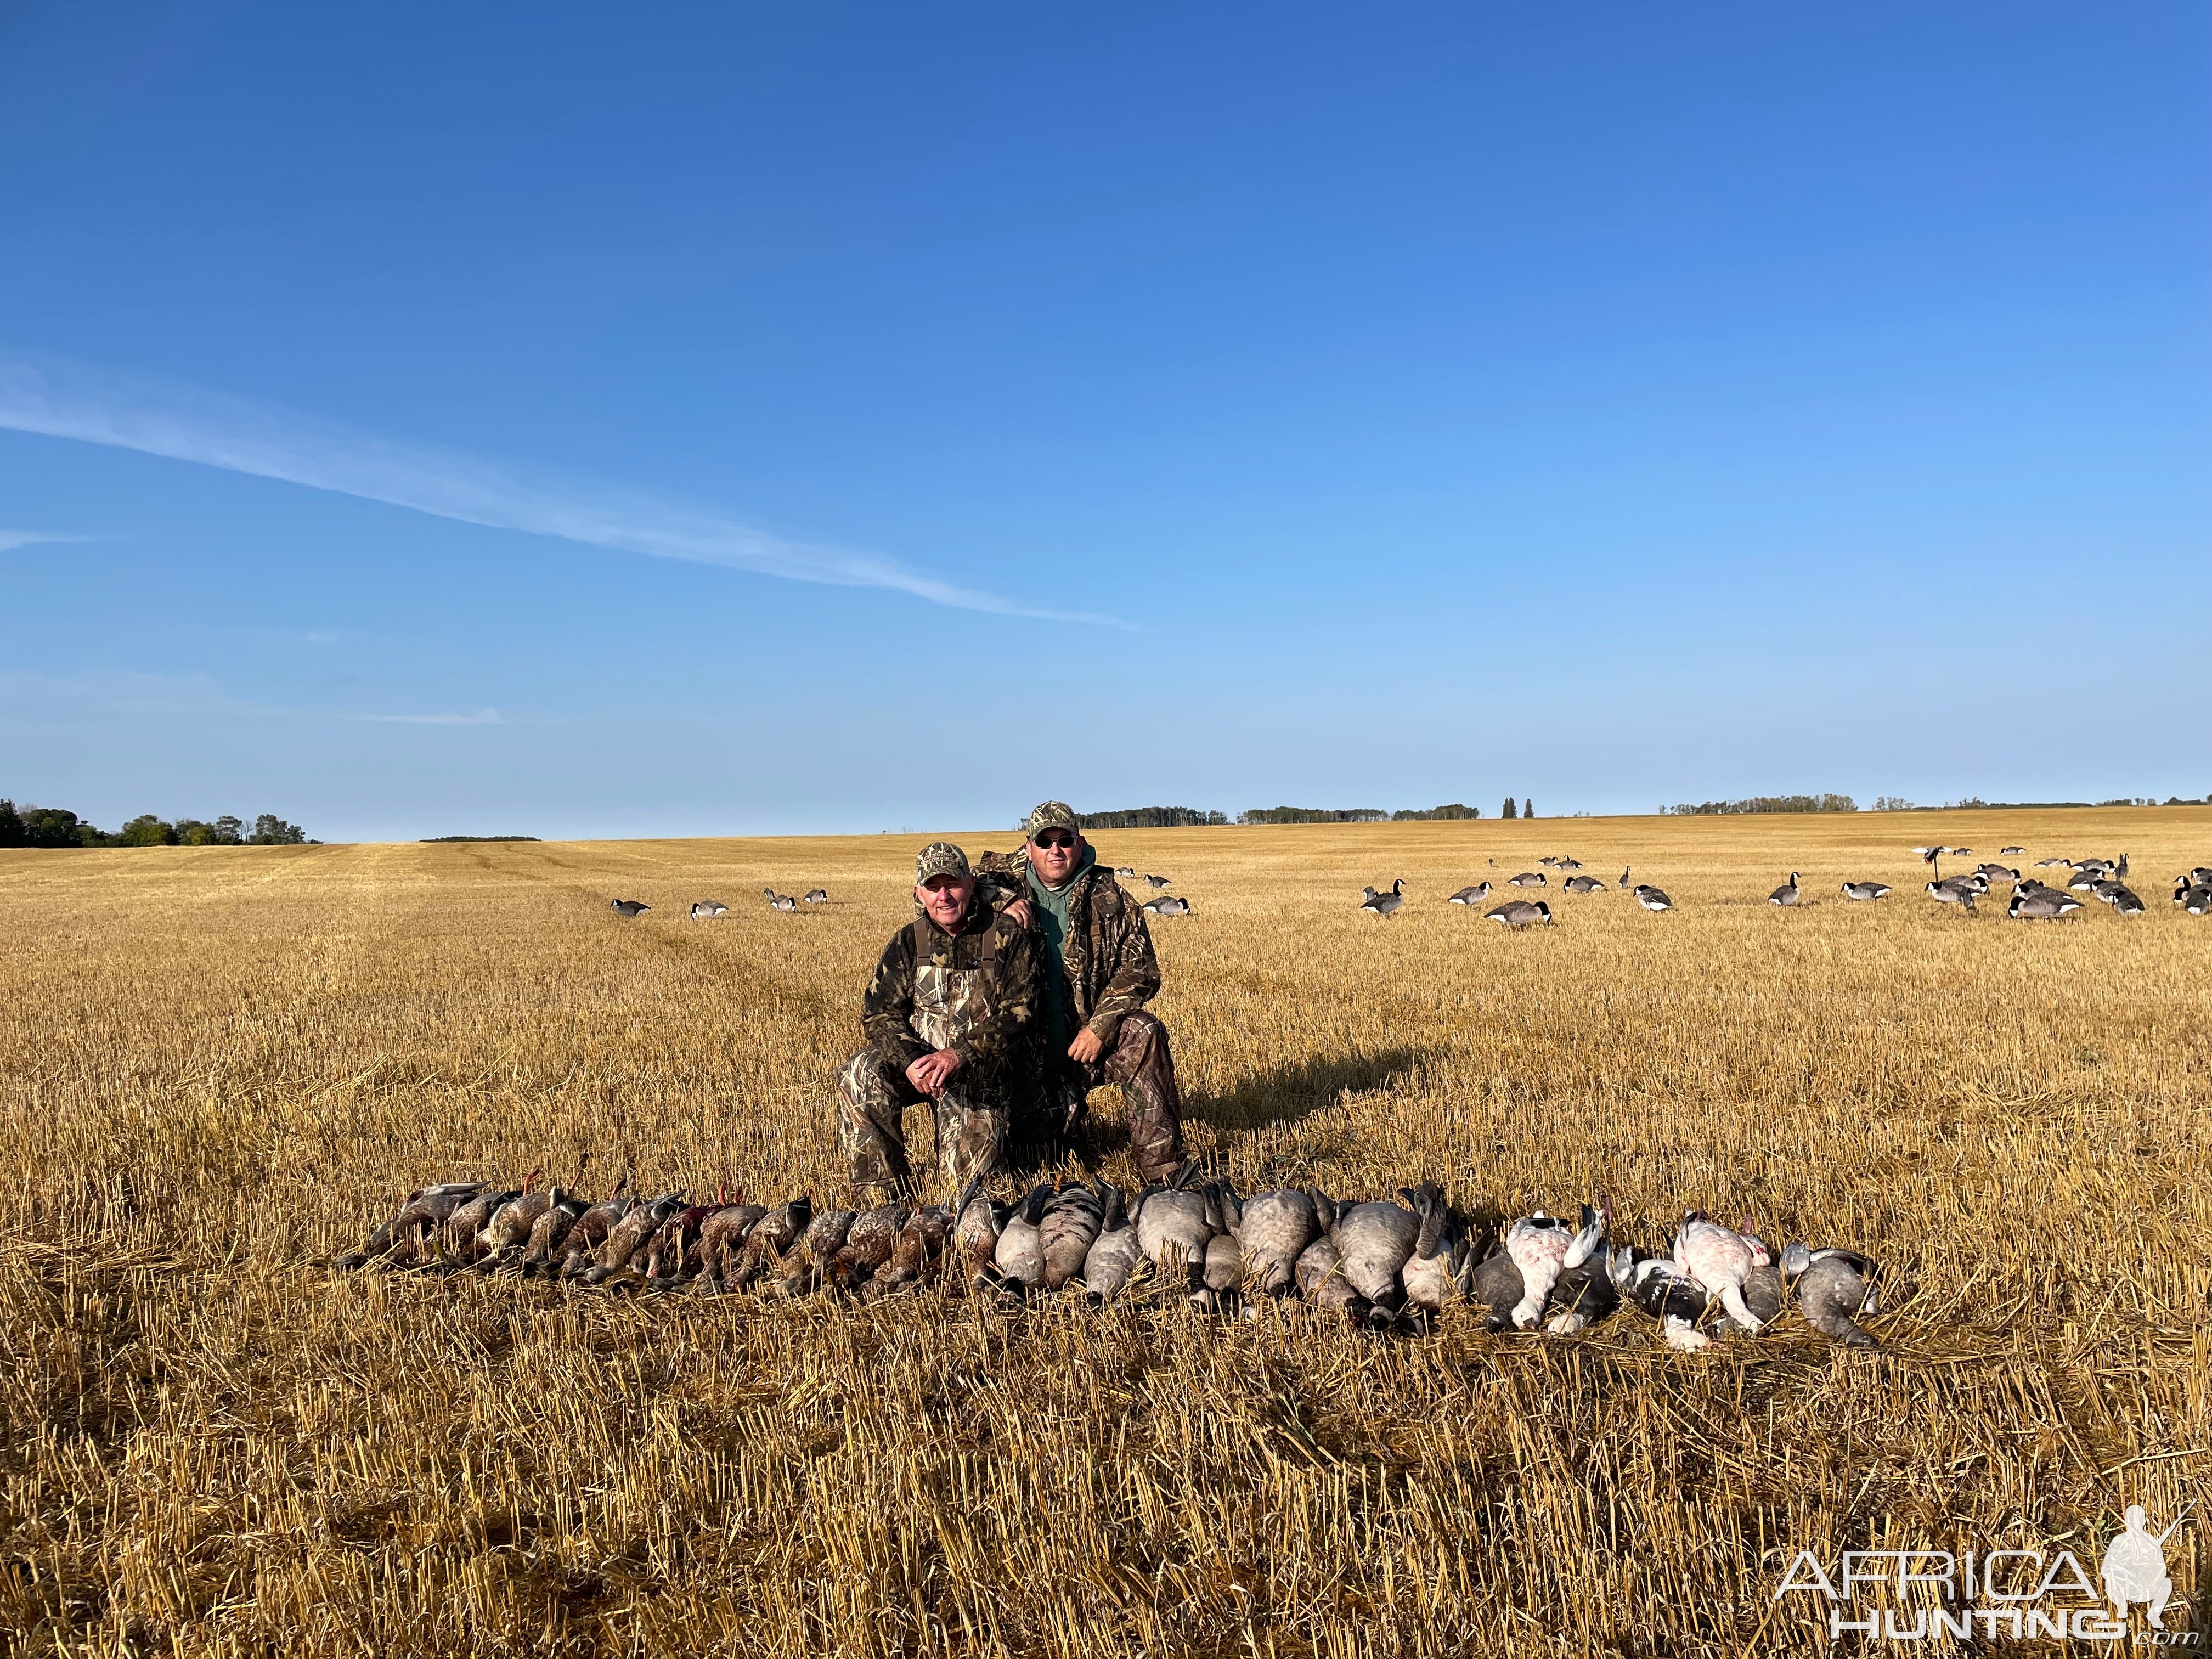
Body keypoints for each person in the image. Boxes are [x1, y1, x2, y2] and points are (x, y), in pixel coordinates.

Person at [978, 801, 1188, 1182]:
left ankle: (1165, 1173)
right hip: (1026, 1053)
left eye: (1065, 840)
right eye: (1045, 842)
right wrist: (1001, 900)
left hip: (1087, 1041)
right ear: (1029, 848)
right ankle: (1057, 1123)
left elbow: (1141, 969)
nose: (1055, 850)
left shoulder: (1111, 898)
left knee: (1145, 1032)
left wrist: (1101, 1027)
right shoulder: (999, 886)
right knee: (1039, 1154)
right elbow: (940, 894)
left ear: (1081, 842)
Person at [835, 842, 1037, 1196]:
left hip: (978, 1072)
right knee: (860, 1072)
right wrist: (912, 1061)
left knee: (967, 1194)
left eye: (953, 884)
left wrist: (959, 1056)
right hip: (922, 1068)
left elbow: (1020, 1011)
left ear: (972, 884)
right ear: (919, 894)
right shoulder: (908, 942)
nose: (944, 896)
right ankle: (881, 1199)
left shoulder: (1005, 936)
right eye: (933, 886)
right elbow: (880, 1014)